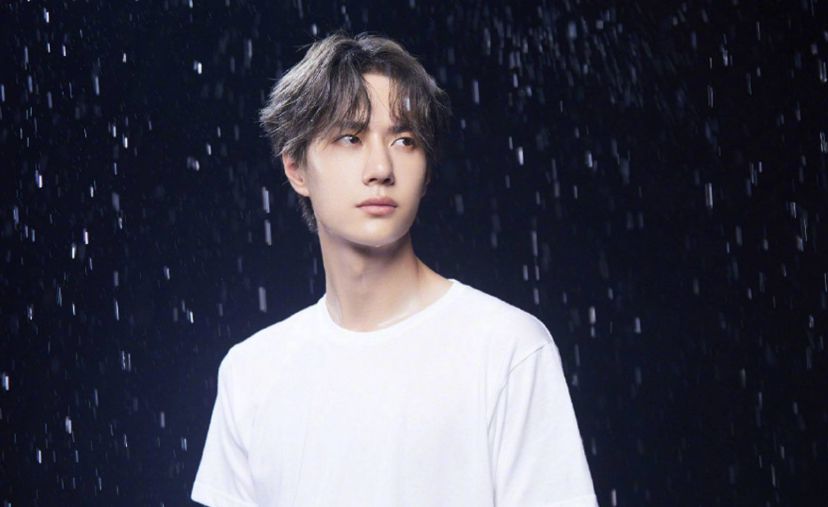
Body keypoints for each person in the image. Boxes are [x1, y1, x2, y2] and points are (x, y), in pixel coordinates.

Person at [190, 31, 598, 507]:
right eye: (350, 138)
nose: (381, 167)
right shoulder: (252, 372)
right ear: (296, 169)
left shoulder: (507, 348)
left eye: (405, 140)